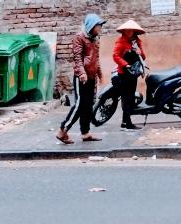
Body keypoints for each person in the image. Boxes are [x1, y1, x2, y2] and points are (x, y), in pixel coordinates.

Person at [57, 13, 105, 144]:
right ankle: (63, 130)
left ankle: (85, 133)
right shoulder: (80, 37)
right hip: (81, 77)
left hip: (92, 76)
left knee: (89, 105)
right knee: (80, 104)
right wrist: (82, 73)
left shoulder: (95, 39)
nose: (100, 28)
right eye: (98, 25)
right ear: (91, 25)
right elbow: (77, 58)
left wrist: (100, 74)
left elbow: (96, 59)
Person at [112, 20, 148, 130]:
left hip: (133, 74)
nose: (128, 32)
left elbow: (143, 57)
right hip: (124, 74)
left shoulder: (137, 42)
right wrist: (125, 65)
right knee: (126, 97)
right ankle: (127, 122)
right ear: (124, 31)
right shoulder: (120, 42)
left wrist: (140, 52)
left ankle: (125, 121)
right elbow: (115, 56)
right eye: (126, 31)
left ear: (134, 31)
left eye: (130, 31)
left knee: (130, 97)